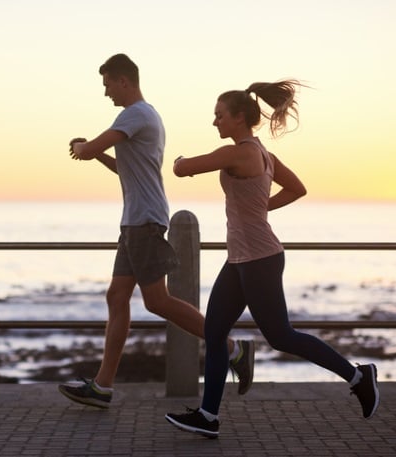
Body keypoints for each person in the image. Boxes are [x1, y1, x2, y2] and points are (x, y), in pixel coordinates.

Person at [165, 80, 380, 438]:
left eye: (219, 116)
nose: (214, 122)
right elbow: (297, 189)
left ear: (238, 118)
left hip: (259, 259)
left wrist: (176, 160)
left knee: (280, 336)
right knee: (214, 331)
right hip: (242, 258)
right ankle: (208, 416)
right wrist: (260, 206)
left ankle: (359, 376)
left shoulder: (238, 153)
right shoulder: (263, 154)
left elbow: (182, 169)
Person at [58, 53, 255, 409]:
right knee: (117, 298)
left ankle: (233, 349)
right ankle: (102, 387)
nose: (106, 94)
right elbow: (126, 168)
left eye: (107, 86)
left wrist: (80, 147)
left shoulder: (135, 114)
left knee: (157, 301)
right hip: (135, 220)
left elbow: (86, 150)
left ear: (123, 81)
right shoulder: (145, 118)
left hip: (145, 221)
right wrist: (97, 154)